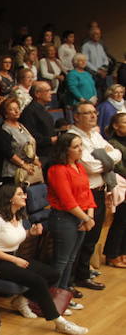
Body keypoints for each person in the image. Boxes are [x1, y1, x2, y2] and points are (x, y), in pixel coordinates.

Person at [0, 185, 87, 335]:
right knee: (37, 281)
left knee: (53, 274)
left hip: (14, 257)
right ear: (10, 199)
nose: (25, 197)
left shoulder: (17, 215)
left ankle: (21, 300)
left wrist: (30, 233)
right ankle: (59, 321)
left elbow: (11, 238)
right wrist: (15, 259)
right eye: (20, 194)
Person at [68, 103, 121, 290]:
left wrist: (104, 158)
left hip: (99, 190)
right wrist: (106, 158)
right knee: (82, 238)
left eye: (93, 112)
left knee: (93, 236)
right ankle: (73, 279)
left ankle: (82, 274)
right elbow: (89, 167)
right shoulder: (73, 137)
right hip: (84, 192)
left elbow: (118, 153)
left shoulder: (96, 135)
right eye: (87, 113)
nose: (92, 116)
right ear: (76, 116)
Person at [46, 133, 96, 297]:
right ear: (65, 150)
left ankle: (63, 296)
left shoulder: (79, 166)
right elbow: (67, 201)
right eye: (76, 147)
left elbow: (87, 193)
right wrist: (86, 218)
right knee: (61, 261)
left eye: (81, 145)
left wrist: (89, 216)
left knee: (71, 259)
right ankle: (51, 300)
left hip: (81, 217)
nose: (81, 149)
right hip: (64, 218)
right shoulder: (57, 170)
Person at [0, 98, 42, 185]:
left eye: (17, 108)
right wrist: (23, 165)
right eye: (12, 109)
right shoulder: (3, 130)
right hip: (13, 172)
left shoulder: (21, 125)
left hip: (29, 167)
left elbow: (30, 143)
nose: (17, 111)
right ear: (5, 114)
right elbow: (8, 152)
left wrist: (35, 159)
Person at [103, 113, 126, 268]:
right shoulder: (112, 143)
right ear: (116, 126)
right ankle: (112, 254)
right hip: (122, 184)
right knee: (120, 221)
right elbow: (117, 168)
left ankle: (123, 252)